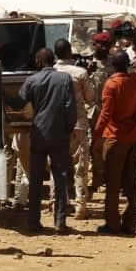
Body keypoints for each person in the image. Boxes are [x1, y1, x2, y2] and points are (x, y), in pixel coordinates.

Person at [8, 48, 77, 234]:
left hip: (39, 134)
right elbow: (70, 107)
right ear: (52, 60)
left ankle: (33, 222)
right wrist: (68, 129)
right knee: (60, 178)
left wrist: (1, 94)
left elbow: (18, 103)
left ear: (38, 61)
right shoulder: (65, 79)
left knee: (36, 179)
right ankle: (60, 222)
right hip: (59, 135)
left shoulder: (32, 80)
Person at [94, 50, 136, 235]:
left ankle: (113, 223)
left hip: (115, 138)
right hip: (134, 137)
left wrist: (96, 136)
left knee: (113, 183)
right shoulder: (135, 80)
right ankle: (130, 222)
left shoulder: (112, 84)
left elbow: (105, 114)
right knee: (131, 182)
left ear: (112, 65)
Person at [54, 38, 94, 220]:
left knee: (58, 166)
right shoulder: (80, 72)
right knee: (80, 167)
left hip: (57, 125)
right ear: (69, 52)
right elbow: (90, 98)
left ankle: (58, 203)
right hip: (78, 124)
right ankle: (80, 207)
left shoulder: (51, 72)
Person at [87, 32, 113, 195]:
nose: (103, 48)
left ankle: (104, 178)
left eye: (106, 45)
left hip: (108, 112)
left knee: (106, 147)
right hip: (91, 112)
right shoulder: (85, 63)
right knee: (93, 147)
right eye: (100, 44)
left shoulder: (113, 64)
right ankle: (96, 179)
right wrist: (87, 72)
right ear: (94, 45)